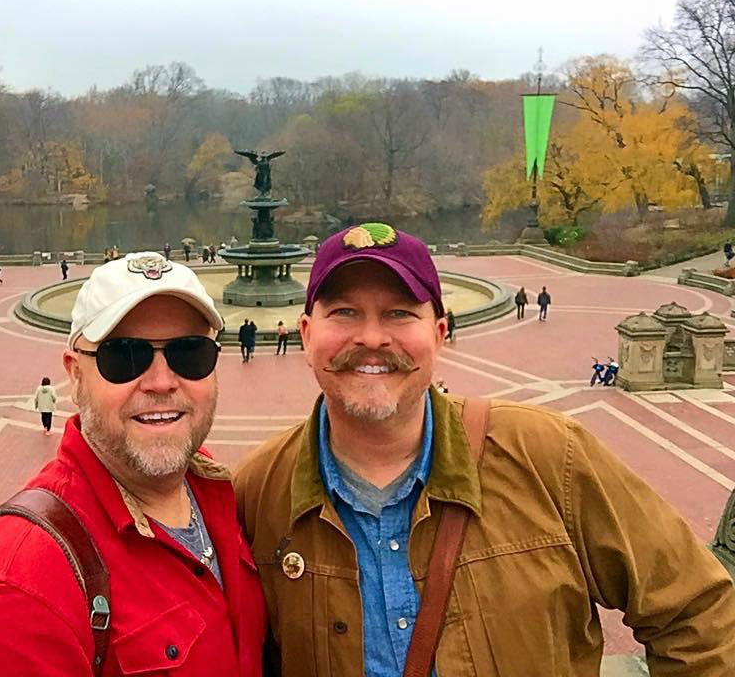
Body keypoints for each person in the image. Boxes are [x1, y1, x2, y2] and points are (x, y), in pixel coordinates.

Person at [234, 223, 735, 676]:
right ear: (305, 334)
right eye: (344, 312)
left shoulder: (549, 455)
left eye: (399, 313)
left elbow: (698, 612)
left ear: (439, 334)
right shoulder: (257, 492)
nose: (371, 337)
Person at [0, 251, 266, 676]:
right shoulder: (20, 583)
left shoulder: (213, 488)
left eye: (190, 353)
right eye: (124, 356)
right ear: (75, 375)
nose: (162, 382)